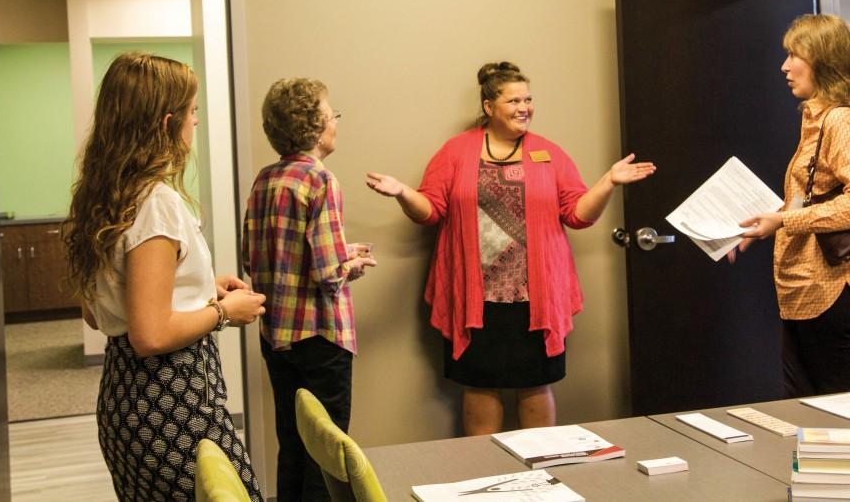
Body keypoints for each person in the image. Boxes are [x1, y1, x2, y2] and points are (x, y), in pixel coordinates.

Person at [365, 61, 655, 435]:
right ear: (489, 106)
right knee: (480, 387)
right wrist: (403, 193)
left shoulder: (548, 153)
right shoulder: (456, 151)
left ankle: (542, 481)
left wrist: (607, 183)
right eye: (514, 100)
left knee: (535, 385)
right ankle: (485, 479)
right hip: (476, 300)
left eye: (529, 99)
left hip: (536, 299)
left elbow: (578, 214)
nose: (524, 107)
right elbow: (430, 211)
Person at [63, 52, 265, 501]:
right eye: (193, 113)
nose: (197, 122)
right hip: (172, 400)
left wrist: (201, 289)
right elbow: (150, 335)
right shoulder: (157, 202)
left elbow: (101, 314)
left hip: (122, 399)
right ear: (167, 122)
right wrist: (224, 312)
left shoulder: (103, 199)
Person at [732, 14, 850, 398]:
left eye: (794, 54)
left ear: (824, 59)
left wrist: (784, 221)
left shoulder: (842, 121)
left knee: (841, 415)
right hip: (807, 289)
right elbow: (809, 198)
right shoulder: (816, 119)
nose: (784, 66)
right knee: (806, 412)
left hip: (833, 287)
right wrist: (769, 223)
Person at [242, 78, 377, 502]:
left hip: (277, 338)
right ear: (314, 124)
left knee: (294, 446)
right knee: (328, 454)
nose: (335, 121)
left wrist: (340, 252)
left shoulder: (265, 180)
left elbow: (256, 258)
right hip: (321, 338)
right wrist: (353, 262)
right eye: (330, 113)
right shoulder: (320, 180)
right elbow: (327, 273)